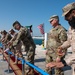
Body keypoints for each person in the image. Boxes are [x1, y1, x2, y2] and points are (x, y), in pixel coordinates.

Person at [57, 2, 75, 67]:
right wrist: (62, 47)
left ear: (73, 12)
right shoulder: (72, 27)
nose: (65, 19)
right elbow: (69, 41)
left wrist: (64, 63)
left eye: (67, 15)